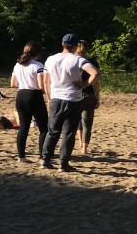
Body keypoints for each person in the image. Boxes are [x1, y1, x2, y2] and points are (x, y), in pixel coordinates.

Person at [41, 34, 99, 172]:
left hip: (56, 97)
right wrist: (84, 84)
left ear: (62, 44)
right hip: (72, 98)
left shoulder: (51, 59)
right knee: (68, 132)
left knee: (53, 131)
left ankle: (45, 159)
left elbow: (45, 80)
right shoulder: (78, 60)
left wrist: (49, 97)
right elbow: (96, 73)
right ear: (75, 45)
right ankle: (63, 163)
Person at [10, 41, 47, 163]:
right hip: (34, 95)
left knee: (23, 127)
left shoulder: (18, 65)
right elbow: (41, 85)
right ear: (37, 53)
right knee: (43, 128)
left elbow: (13, 84)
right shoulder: (38, 65)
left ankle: (21, 156)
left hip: (21, 95)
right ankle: (42, 156)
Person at [75, 40, 101, 154]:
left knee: (78, 121)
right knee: (87, 122)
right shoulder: (91, 62)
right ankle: (84, 148)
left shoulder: (72, 61)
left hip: (75, 94)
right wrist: (97, 97)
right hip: (88, 94)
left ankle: (80, 142)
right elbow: (96, 82)